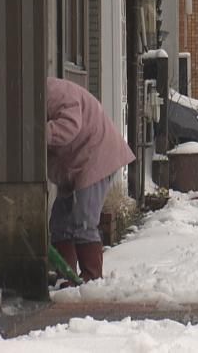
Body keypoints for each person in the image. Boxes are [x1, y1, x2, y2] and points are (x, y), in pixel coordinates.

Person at [47, 77, 136, 283]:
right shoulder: (46, 96)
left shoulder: (55, 93)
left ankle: (91, 277)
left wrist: (40, 133)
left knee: (84, 219)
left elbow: (70, 126)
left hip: (97, 154)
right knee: (60, 221)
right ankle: (66, 275)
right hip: (76, 161)